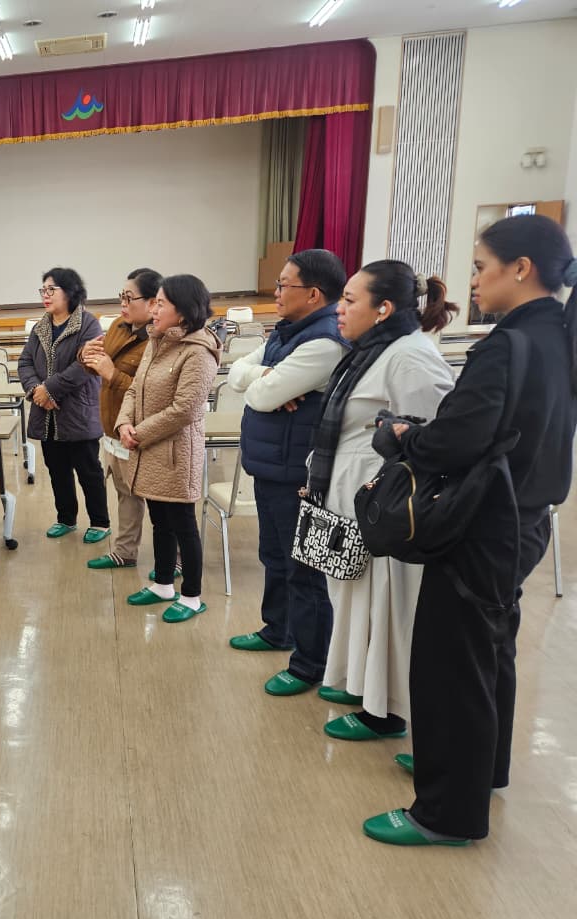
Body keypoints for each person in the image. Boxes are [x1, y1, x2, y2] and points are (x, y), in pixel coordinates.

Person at [365, 215, 577, 847]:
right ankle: (480, 770)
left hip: (483, 521)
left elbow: (459, 437)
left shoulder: (507, 346)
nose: (473, 281)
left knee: (451, 663)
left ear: (522, 268)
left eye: (481, 266)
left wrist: (404, 436)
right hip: (523, 519)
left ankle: (447, 812)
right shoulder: (555, 338)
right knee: (490, 652)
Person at [312, 262, 455, 744]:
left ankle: (387, 711)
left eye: (351, 300)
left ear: (384, 308)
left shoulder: (409, 357)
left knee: (386, 606)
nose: (340, 309)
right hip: (353, 497)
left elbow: (435, 436)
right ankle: (363, 688)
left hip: (386, 507)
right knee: (356, 600)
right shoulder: (372, 351)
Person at [225, 250, 350, 698]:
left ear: (313, 293)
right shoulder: (288, 332)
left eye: (283, 285)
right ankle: (277, 629)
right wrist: (266, 375)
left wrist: (265, 382)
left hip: (298, 471)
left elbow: (259, 396)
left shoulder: (324, 340)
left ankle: (309, 662)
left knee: (304, 570)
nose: (275, 293)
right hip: (271, 464)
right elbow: (237, 371)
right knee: (274, 557)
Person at [116, 274, 221, 622]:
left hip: (176, 453)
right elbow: (134, 389)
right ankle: (163, 584)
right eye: (154, 301)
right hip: (148, 449)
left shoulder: (198, 350)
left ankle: (192, 595)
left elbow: (185, 409)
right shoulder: (157, 340)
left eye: (161, 303)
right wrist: (124, 424)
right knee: (160, 521)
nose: (154, 308)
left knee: (183, 525)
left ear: (184, 309)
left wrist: (139, 433)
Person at [18, 267, 109, 542]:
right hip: (47, 413)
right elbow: (24, 363)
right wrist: (36, 389)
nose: (45, 295)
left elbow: (84, 366)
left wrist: (50, 389)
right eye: (43, 290)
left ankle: (100, 523)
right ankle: (66, 518)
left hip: (78, 411)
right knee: (57, 470)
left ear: (69, 292)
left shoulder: (88, 324)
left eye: (51, 289)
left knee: (88, 470)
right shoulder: (40, 327)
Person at [80, 268, 162, 569]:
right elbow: (97, 366)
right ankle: (125, 552)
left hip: (142, 430)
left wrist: (112, 375)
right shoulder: (118, 325)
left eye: (130, 298)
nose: (123, 304)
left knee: (157, 499)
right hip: (113, 427)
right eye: (122, 296)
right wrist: (84, 355)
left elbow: (151, 393)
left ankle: (175, 558)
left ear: (153, 302)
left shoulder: (159, 338)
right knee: (124, 492)